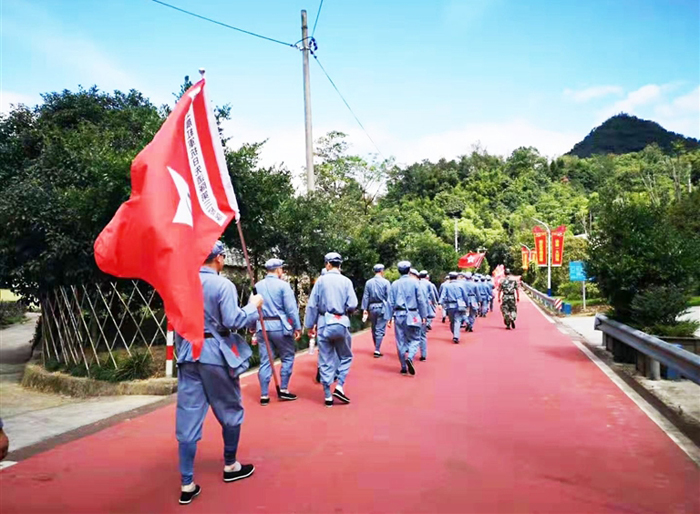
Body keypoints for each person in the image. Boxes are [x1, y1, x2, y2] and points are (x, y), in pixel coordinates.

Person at [175, 241, 263, 505]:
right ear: (219, 258)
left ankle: (187, 483)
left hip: (189, 352)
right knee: (230, 409)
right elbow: (233, 321)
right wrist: (253, 305)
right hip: (215, 354)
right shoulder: (223, 285)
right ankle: (230, 464)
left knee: (188, 416)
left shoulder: (182, 286)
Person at [304, 253, 358, 407]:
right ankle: (340, 385)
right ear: (339, 265)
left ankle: (327, 395)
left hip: (323, 323)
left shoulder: (320, 281)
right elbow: (353, 303)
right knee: (346, 356)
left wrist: (310, 326)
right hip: (341, 322)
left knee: (325, 359)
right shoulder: (346, 281)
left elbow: (312, 305)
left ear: (327, 264)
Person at [254, 258, 302, 405]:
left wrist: (252, 327)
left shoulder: (257, 286)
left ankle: (264, 395)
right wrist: (297, 327)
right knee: (287, 357)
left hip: (262, 326)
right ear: (278, 269)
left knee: (265, 361)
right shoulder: (283, 286)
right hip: (280, 326)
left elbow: (253, 306)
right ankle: (284, 389)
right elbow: (291, 309)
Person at [390, 262, 428, 375]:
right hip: (413, 314)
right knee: (415, 338)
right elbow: (421, 300)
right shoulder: (415, 283)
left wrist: (388, 317)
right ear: (409, 270)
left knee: (400, 341)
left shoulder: (394, 284)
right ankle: (410, 356)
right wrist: (424, 315)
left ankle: (403, 366)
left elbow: (390, 301)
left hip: (399, 315)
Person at [361, 264, 392, 358]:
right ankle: (377, 349)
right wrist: (390, 311)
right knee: (380, 329)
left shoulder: (368, 282)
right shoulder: (386, 282)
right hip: (382, 307)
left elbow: (366, 296)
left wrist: (364, 309)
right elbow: (389, 297)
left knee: (374, 328)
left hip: (372, 307)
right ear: (382, 271)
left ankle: (376, 346)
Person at [439, 271, 468, 344]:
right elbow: (465, 296)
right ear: (457, 277)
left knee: (452, 321)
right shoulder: (461, 285)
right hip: (459, 305)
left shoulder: (446, 286)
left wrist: (440, 303)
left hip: (450, 305)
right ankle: (456, 335)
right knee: (457, 321)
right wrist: (467, 304)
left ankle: (455, 335)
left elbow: (443, 295)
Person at [418, 270, 436, 360]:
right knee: (422, 334)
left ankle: (408, 350)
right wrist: (435, 302)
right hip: (424, 306)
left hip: (411, 311)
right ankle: (423, 355)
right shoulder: (428, 284)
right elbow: (432, 293)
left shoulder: (416, 283)